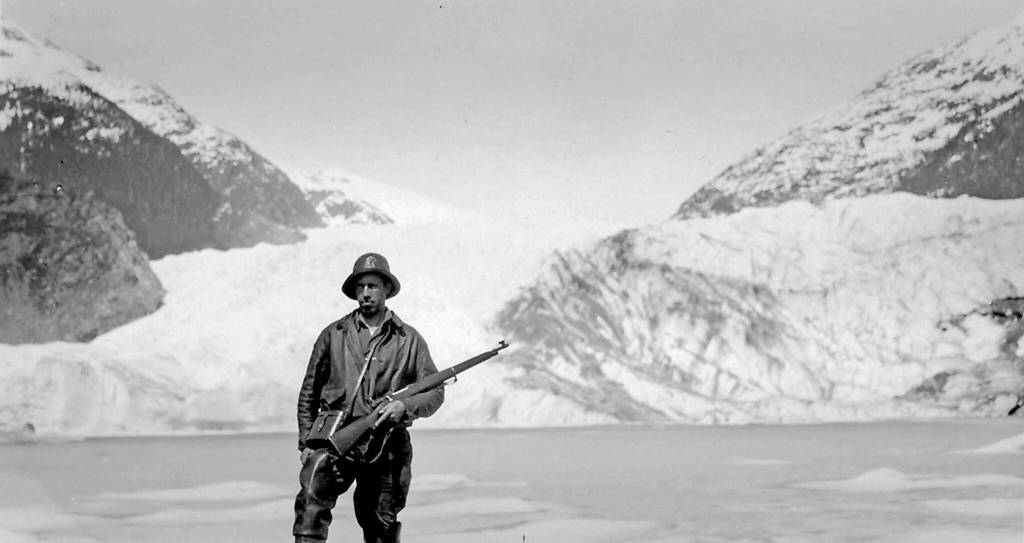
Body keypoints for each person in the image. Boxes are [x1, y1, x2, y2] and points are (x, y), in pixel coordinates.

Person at [293, 252, 444, 543]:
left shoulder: (409, 340)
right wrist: (305, 444)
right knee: (310, 510)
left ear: (387, 289)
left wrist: (405, 406)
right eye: (360, 287)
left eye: (372, 286)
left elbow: (435, 391)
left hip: (386, 445)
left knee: (380, 522)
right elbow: (308, 393)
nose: (365, 293)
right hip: (335, 442)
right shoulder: (333, 335)